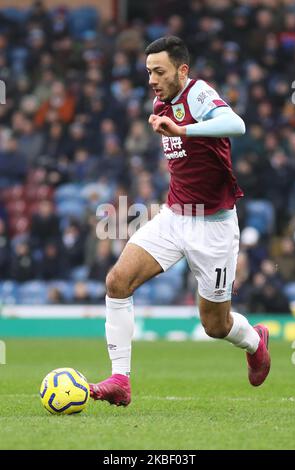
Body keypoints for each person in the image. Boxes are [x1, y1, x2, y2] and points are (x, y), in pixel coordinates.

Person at [90, 36, 271, 406]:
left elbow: (236, 125)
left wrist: (184, 130)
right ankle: (120, 380)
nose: (152, 79)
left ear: (182, 70)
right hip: (175, 215)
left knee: (215, 325)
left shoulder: (198, 94)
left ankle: (255, 341)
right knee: (117, 281)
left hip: (215, 226)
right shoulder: (160, 103)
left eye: (159, 71)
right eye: (148, 72)